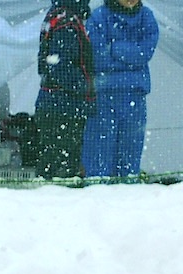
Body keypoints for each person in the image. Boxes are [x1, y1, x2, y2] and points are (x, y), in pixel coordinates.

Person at [82, 0, 159, 178]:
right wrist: (131, 57)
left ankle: (128, 200)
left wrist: (115, 48)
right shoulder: (98, 17)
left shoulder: (147, 17)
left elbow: (145, 52)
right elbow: (97, 57)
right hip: (103, 97)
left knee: (129, 158)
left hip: (134, 95)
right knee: (98, 158)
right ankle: (97, 199)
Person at [34, 1, 96, 180]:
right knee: (62, 170)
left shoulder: (58, 15)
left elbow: (49, 62)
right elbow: (60, 66)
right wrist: (86, 87)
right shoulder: (67, 21)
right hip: (63, 107)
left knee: (52, 165)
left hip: (54, 104)